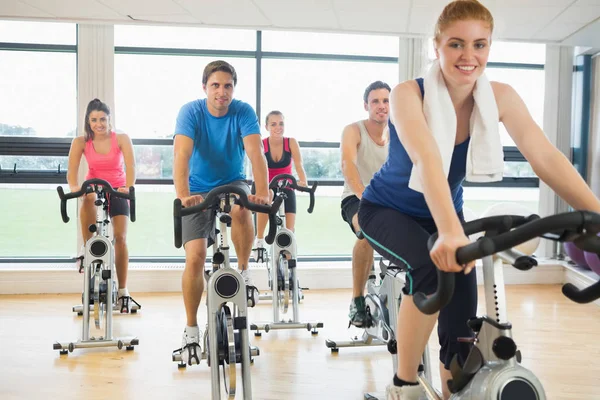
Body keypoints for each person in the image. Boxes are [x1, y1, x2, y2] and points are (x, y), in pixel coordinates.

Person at [357, 1, 600, 399]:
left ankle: (456, 387)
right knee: (433, 272)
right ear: (436, 46)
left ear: (489, 47)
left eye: (479, 44)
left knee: (463, 314)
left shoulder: (499, 96)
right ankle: (403, 387)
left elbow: (546, 158)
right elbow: (428, 158)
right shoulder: (406, 94)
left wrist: (596, 215)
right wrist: (451, 233)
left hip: (445, 215)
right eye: (456, 44)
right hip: (386, 209)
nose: (468, 56)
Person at [173, 60, 270, 366]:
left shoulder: (242, 112)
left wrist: (263, 192)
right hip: (196, 188)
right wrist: (183, 195)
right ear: (205, 87)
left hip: (233, 181)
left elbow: (255, 153)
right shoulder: (191, 112)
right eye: (215, 85)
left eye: (228, 85)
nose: (222, 91)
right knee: (196, 256)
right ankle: (190, 330)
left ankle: (243, 271)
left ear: (233, 89)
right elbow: (182, 155)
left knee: (242, 207)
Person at [66, 98, 138, 313]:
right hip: (93, 186)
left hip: (117, 188)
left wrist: (129, 186)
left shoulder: (122, 139)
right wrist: (74, 188)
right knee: (87, 196)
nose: (99, 124)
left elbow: (131, 165)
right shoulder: (80, 142)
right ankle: (87, 248)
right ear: (88, 121)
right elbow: (72, 171)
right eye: (94, 120)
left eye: (103, 119)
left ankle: (123, 292)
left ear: (109, 119)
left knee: (121, 238)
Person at [340, 81, 391, 327]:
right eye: (375, 101)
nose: (381, 106)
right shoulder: (354, 130)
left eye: (386, 100)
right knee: (367, 233)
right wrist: (363, 194)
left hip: (388, 200)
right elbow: (348, 164)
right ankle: (357, 300)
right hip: (356, 196)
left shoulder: (398, 133)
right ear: (366, 105)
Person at [253, 110, 308, 259]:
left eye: (281, 123)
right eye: (273, 124)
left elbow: (299, 164)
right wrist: (262, 188)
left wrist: (303, 181)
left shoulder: (291, 142)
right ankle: (259, 240)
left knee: (289, 231)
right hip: (266, 185)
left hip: (286, 185)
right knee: (268, 195)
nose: (278, 127)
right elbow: (256, 167)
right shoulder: (262, 144)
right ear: (266, 127)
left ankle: (290, 267)